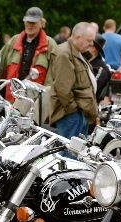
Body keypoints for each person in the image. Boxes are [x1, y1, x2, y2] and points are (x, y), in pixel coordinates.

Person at [49, 22, 97, 158]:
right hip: (70, 114)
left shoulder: (77, 52)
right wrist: (73, 110)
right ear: (77, 37)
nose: (91, 44)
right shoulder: (64, 53)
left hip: (77, 113)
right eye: (89, 40)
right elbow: (63, 87)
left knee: (77, 156)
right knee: (68, 157)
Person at [0, 6, 57, 101]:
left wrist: (46, 100)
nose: (30, 25)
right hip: (10, 99)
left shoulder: (50, 44)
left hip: (34, 101)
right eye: (28, 21)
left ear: (41, 23)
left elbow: (52, 76)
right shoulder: (13, 41)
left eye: (33, 22)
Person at [87, 33, 111, 103]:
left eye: (87, 44)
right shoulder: (87, 61)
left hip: (88, 107)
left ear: (93, 48)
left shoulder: (100, 68)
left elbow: (90, 91)